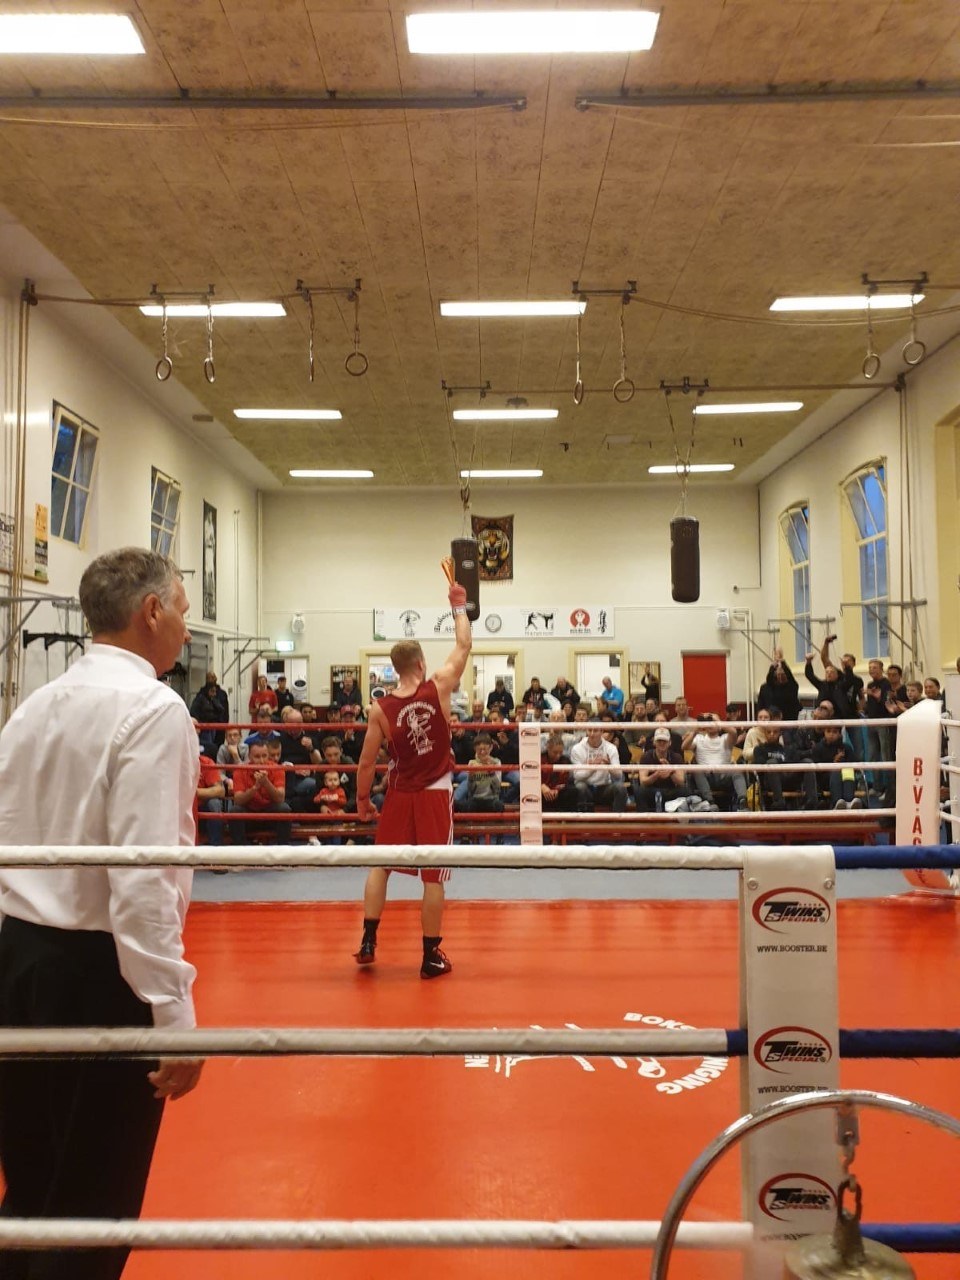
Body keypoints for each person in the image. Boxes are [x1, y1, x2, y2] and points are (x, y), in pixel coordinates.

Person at [0, 547, 203, 1280]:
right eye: (181, 606)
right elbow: (143, 877)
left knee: (31, 1186)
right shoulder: (152, 707)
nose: (186, 623)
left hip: (19, 958)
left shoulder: (35, 705)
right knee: (93, 1197)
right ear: (151, 610)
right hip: (99, 970)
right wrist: (172, 1013)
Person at [353, 574, 472, 978]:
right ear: (421, 664)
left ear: (393, 669)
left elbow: (367, 762)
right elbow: (464, 645)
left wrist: (362, 800)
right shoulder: (438, 686)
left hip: (400, 791)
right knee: (433, 876)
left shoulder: (379, 709)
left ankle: (368, 939)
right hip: (436, 792)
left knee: (380, 864)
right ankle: (430, 956)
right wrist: (458, 604)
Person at [570, 726, 628, 812]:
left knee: (620, 787)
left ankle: (617, 822)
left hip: (604, 787)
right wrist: (593, 768)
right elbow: (577, 776)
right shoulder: (577, 748)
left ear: (601, 731)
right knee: (580, 787)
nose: (592, 734)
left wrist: (609, 766)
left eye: (595, 730)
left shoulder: (611, 748)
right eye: (589, 730)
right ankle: (585, 822)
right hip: (586, 787)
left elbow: (619, 775)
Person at [189, 669, 230, 752]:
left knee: (218, 749)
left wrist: (224, 726)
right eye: (209, 678)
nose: (211, 679)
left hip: (218, 726)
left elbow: (224, 711)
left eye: (213, 677)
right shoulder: (201, 694)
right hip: (205, 727)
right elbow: (195, 710)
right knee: (208, 749)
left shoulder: (222, 694)